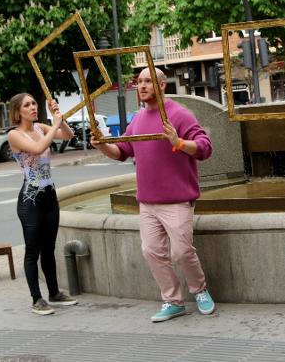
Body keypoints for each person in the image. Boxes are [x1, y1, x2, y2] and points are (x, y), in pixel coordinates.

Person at [92, 67, 215, 322]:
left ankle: (200, 290)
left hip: (178, 200)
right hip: (147, 202)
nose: (142, 86)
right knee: (151, 251)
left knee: (181, 252)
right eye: (139, 82)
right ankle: (172, 301)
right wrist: (102, 145)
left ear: (162, 86)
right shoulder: (137, 119)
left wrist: (178, 142)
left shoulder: (179, 115)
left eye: (148, 81)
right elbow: (122, 151)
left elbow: (205, 148)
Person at [7, 93, 77, 315]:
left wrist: (59, 117)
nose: (33, 107)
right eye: (27, 105)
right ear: (18, 112)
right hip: (31, 200)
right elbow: (37, 149)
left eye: (34, 103)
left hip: (49, 196)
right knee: (32, 251)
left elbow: (68, 134)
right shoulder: (14, 135)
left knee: (49, 248)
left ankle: (54, 292)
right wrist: (54, 124)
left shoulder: (41, 127)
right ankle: (36, 298)